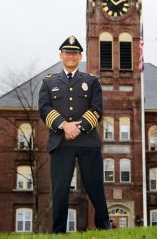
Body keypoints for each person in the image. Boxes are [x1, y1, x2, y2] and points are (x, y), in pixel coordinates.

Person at [38, 35, 110, 233]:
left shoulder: (91, 81)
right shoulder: (48, 82)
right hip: (60, 143)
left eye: (75, 53)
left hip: (88, 141)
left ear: (81, 56)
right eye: (67, 53)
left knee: (95, 187)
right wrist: (64, 125)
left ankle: (104, 228)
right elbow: (44, 109)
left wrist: (78, 127)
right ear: (61, 55)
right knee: (60, 190)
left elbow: (97, 109)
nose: (71, 56)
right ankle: (58, 232)